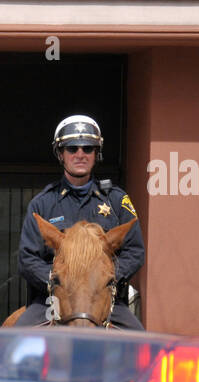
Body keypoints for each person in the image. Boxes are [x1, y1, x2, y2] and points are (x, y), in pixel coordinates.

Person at [17, 115, 145, 330]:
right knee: (14, 343)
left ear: (97, 154)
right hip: (52, 300)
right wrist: (58, 280)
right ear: (60, 154)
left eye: (88, 148)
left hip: (105, 299)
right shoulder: (42, 204)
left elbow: (135, 251)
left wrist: (104, 278)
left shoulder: (116, 200)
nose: (80, 154)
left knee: (141, 346)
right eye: (72, 148)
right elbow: (27, 258)